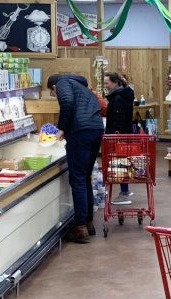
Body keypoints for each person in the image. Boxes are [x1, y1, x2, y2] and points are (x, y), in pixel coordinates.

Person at [48, 73, 104, 243]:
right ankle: (88, 222)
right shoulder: (82, 87)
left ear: (54, 87)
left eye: (52, 93)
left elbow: (67, 103)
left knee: (78, 178)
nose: (54, 95)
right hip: (96, 129)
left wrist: (62, 128)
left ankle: (79, 226)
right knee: (85, 177)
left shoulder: (63, 83)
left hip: (80, 132)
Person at [103, 71, 135, 205]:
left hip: (119, 136)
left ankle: (124, 194)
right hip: (125, 134)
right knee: (124, 163)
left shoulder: (117, 99)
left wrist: (110, 133)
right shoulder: (124, 95)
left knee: (120, 164)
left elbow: (118, 120)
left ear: (116, 83)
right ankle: (125, 190)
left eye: (107, 83)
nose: (105, 86)